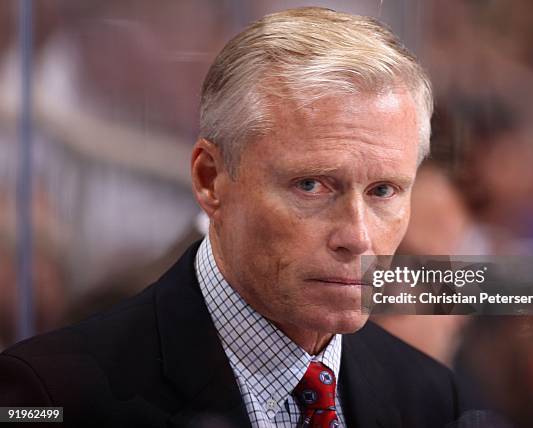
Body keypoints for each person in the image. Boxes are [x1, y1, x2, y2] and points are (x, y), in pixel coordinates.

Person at [0, 8, 460, 428]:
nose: (358, 237)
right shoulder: (50, 393)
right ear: (210, 179)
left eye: (383, 191)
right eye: (311, 186)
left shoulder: (430, 396)